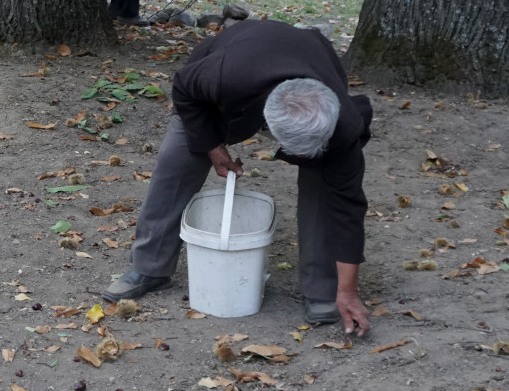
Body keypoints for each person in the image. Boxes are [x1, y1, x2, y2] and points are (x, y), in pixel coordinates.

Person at [102, 19, 375, 336]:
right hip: (232, 70)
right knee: (178, 160)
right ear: (269, 128)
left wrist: (349, 290)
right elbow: (183, 89)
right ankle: (149, 267)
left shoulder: (343, 122)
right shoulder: (223, 77)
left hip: (309, 61)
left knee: (325, 184)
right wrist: (212, 147)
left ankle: (325, 289)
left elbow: (348, 207)